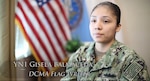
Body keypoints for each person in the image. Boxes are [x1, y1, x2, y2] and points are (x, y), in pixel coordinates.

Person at [61, 1, 150, 81]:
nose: (97, 26)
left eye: (106, 21)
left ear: (118, 27)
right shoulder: (79, 55)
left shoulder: (131, 61)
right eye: (93, 20)